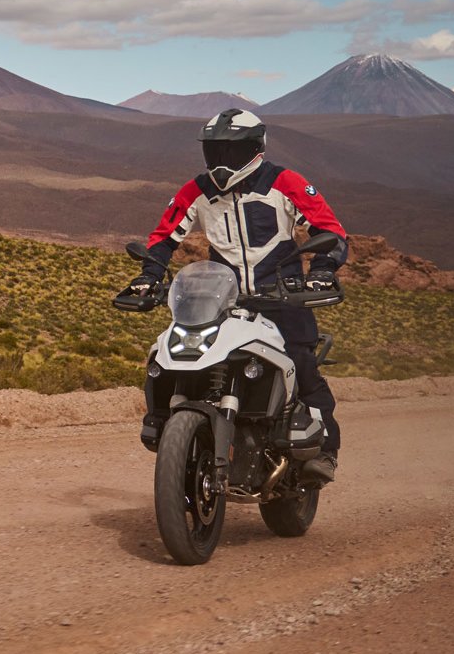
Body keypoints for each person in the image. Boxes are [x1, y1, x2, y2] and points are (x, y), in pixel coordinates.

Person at [118, 108, 350, 484]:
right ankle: (169, 425)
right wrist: (149, 275)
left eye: (232, 151)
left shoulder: (285, 182)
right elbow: (164, 236)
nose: (222, 161)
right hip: (222, 301)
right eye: (215, 151)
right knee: (180, 359)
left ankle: (324, 450)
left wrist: (322, 272)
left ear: (255, 148)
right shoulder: (197, 190)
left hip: (282, 298)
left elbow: (329, 229)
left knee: (302, 368)